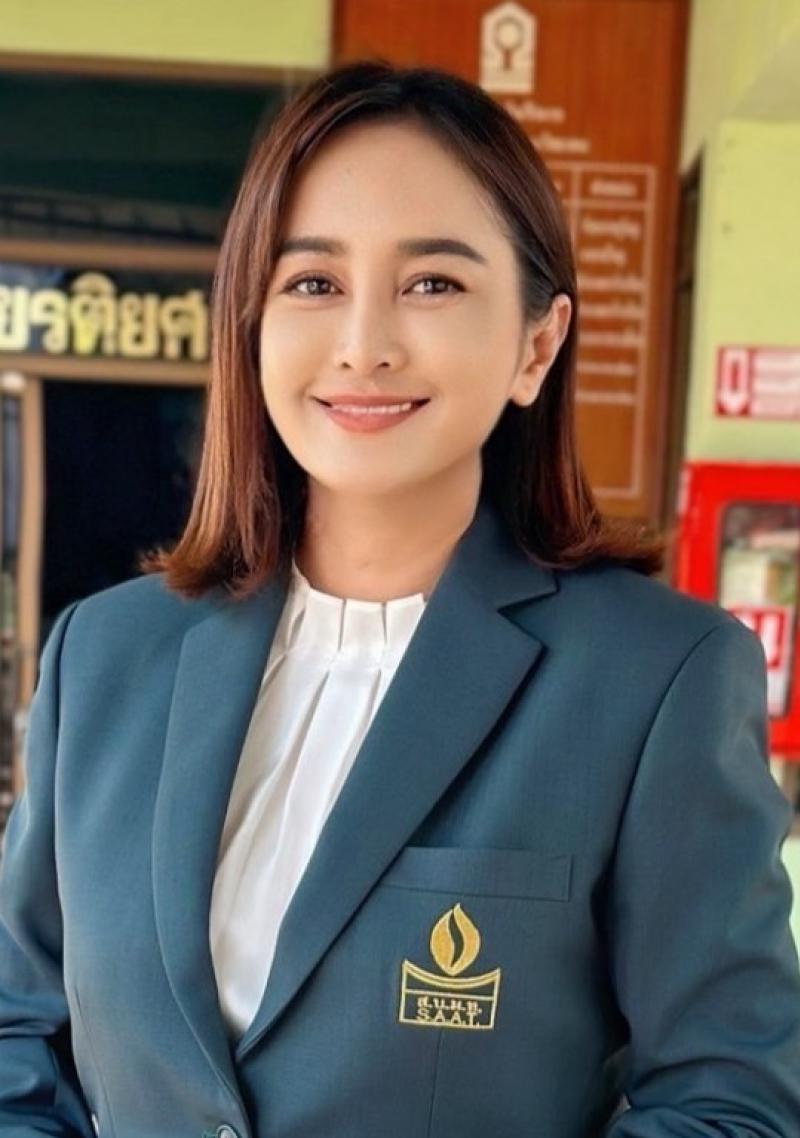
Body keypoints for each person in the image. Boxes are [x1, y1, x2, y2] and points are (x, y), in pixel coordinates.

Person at [1, 59, 799, 1138]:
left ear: (535, 344)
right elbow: (21, 1036)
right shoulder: (102, 657)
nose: (363, 345)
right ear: (250, 324)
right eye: (312, 282)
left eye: (432, 284)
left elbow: (728, 1102)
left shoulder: (655, 679)